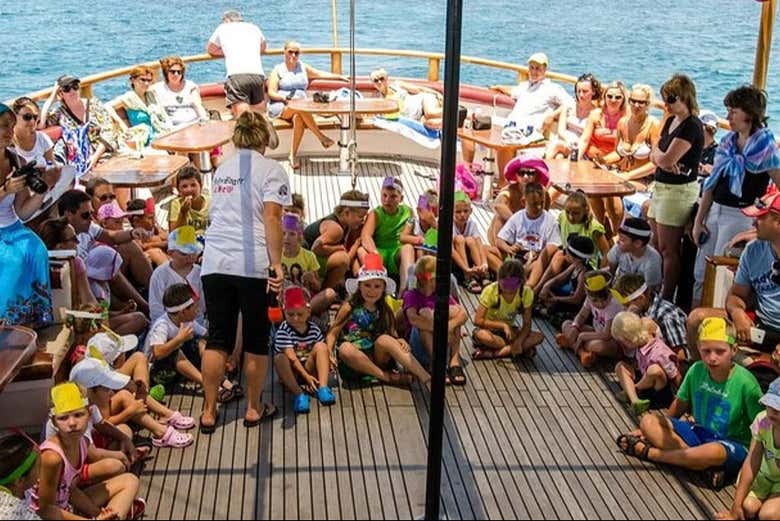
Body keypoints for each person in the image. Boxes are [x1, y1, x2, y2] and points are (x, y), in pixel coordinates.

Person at [199, 110, 289, 433]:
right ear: (264, 139)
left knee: (218, 338)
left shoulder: (222, 170)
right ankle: (253, 408)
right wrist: (276, 264)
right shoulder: (272, 171)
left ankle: (208, 412)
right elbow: (272, 219)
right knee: (255, 338)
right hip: (252, 266)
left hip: (215, 262)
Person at [616, 318, 762, 489]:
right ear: (699, 349)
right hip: (699, 433)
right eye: (706, 351)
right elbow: (680, 403)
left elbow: (761, 426)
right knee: (648, 421)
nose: (712, 358)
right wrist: (649, 430)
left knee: (713, 451)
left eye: (719, 351)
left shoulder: (746, 383)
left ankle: (651, 454)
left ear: (734, 350)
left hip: (730, 443)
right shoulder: (696, 370)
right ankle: (701, 467)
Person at [692, 86, 780, 306]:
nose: (728, 117)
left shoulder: (765, 148)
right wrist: (698, 220)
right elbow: (711, 185)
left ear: (749, 114)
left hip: (740, 215)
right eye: (728, 111)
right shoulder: (727, 143)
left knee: (724, 272)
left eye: (733, 111)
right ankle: (694, 318)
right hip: (715, 210)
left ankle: (715, 320)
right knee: (701, 271)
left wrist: (758, 226)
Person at [687, 193, 780, 360]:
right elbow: (737, 294)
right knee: (696, 319)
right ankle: (697, 375)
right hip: (759, 325)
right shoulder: (753, 250)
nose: (753, 223)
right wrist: (737, 313)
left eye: (760, 218)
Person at [34, 382, 141, 519]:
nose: (72, 423)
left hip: (66, 504)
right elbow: (45, 510)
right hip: (49, 516)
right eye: (63, 418)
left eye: (78, 415)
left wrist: (97, 513)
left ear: (89, 414)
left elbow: (70, 489)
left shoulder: (83, 443)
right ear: (54, 422)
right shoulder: (52, 457)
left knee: (130, 480)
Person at [327, 253, 430, 386]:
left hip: (377, 356)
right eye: (367, 285)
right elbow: (333, 332)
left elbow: (391, 332)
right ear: (360, 286)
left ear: (383, 289)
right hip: (354, 361)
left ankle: (426, 378)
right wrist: (329, 353)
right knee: (344, 348)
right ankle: (386, 377)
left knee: (385, 340)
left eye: (377, 286)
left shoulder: (384, 309)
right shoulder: (349, 307)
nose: (372, 291)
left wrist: (398, 340)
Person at [0, 103, 57, 326]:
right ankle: (7, 323)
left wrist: (47, 187)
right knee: (12, 260)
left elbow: (23, 211)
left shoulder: (16, 161)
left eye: (11, 126)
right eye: (3, 126)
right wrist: (5, 190)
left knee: (38, 251)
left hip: (12, 226)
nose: (9, 132)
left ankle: (33, 320)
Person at [648, 74, 704, 301]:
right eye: (665, 99)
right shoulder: (671, 121)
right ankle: (655, 285)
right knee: (655, 241)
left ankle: (667, 295)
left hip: (678, 191)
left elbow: (663, 157)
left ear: (685, 97)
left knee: (668, 248)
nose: (667, 104)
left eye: (671, 99)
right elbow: (656, 152)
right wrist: (662, 158)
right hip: (661, 186)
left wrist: (662, 158)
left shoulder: (692, 126)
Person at [57, 189, 149, 313]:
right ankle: (145, 308)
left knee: (128, 246)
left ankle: (155, 295)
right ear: (68, 215)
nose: (90, 219)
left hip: (102, 281)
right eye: (85, 215)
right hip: (84, 289)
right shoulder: (61, 239)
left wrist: (133, 233)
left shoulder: (88, 227)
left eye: (91, 214)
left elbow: (111, 237)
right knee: (105, 257)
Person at [70, 358, 195, 449]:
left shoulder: (93, 393)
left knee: (125, 394)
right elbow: (104, 424)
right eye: (104, 386)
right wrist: (130, 412)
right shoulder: (91, 399)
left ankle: (165, 417)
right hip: (97, 438)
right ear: (90, 390)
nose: (108, 390)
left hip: (102, 427)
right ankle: (161, 432)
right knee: (126, 429)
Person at [268, 41, 348, 169]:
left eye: (296, 53)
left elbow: (320, 73)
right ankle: (321, 137)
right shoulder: (277, 70)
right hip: (282, 105)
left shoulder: (303, 67)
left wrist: (339, 77)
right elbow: (271, 92)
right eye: (290, 52)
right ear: (284, 52)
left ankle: (292, 156)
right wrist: (286, 98)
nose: (293, 55)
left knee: (299, 118)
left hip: (300, 107)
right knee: (300, 108)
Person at [716, 377, 780, 520]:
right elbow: (752, 460)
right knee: (748, 508)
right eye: (771, 404)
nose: (774, 410)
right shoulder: (764, 422)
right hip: (763, 475)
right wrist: (735, 507)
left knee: (768, 515)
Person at [403, 255, 468, 384]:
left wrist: (450, 325)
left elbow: (463, 314)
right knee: (424, 314)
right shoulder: (412, 295)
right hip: (419, 345)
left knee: (455, 316)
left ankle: (454, 361)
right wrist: (439, 326)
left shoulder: (441, 295)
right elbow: (413, 319)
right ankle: (436, 363)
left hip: (442, 341)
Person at [40, 75, 121, 177]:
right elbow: (41, 125)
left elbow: (109, 131)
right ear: (60, 93)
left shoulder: (94, 105)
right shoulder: (60, 113)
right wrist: (51, 99)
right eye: (67, 89)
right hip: (78, 160)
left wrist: (95, 157)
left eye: (75, 87)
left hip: (103, 153)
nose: (72, 91)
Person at [272, 285, 336, 414]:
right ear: (284, 312)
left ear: (308, 312)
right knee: (280, 357)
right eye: (290, 314)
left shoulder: (313, 328)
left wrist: (329, 358)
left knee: (321, 346)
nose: (295, 318)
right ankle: (299, 394)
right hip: (292, 372)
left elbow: (321, 347)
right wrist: (306, 377)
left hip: (308, 366)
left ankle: (323, 387)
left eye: (300, 314)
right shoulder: (283, 331)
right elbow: (292, 358)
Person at [535, 190, 609, 293]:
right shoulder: (562, 217)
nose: (571, 217)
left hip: (584, 265)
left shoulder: (594, 228)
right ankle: (531, 285)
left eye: (576, 214)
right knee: (550, 249)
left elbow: (606, 252)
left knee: (559, 255)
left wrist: (599, 274)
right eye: (568, 212)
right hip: (569, 258)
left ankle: (538, 290)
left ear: (585, 211)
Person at [472, 258, 544, 359]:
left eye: (513, 284)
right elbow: (478, 321)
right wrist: (503, 325)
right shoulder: (490, 291)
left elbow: (527, 323)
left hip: (510, 332)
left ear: (521, 282)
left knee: (539, 336)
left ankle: (495, 353)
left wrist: (519, 341)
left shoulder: (526, 292)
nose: (509, 288)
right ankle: (516, 349)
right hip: (490, 329)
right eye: (505, 284)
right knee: (482, 335)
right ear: (498, 279)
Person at [611, 311, 681, 416]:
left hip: (659, 392)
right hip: (645, 381)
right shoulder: (640, 344)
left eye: (623, 342)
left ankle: (633, 390)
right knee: (620, 366)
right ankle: (635, 401)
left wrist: (682, 399)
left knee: (654, 370)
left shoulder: (659, 352)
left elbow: (675, 375)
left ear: (629, 339)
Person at [492, 182, 560, 287]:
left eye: (541, 203)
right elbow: (499, 240)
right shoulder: (517, 217)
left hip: (537, 258)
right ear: (524, 202)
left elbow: (554, 247)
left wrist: (537, 253)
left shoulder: (550, 221)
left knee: (539, 263)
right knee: (487, 250)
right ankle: (511, 275)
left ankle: (527, 285)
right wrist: (509, 248)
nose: (538, 207)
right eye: (534, 204)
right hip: (518, 255)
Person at [612, 273, 690, 362]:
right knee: (621, 367)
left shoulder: (666, 315)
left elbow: (681, 355)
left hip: (666, 363)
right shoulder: (639, 310)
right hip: (647, 360)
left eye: (627, 305)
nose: (624, 309)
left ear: (641, 298)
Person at [206, 9, 268, 117]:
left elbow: (211, 49)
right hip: (258, 75)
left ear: (227, 20)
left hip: (237, 76)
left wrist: (227, 52)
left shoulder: (223, 28)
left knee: (243, 118)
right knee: (259, 114)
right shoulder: (253, 27)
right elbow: (263, 47)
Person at [304, 189, 369, 289]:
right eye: (360, 216)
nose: (362, 220)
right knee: (342, 259)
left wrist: (356, 244)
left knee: (344, 259)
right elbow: (316, 247)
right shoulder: (336, 229)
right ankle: (325, 291)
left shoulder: (345, 225)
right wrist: (337, 248)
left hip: (309, 257)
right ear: (347, 213)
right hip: (305, 260)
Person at [556, 271, 623, 367]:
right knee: (566, 324)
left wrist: (583, 336)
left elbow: (606, 335)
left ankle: (572, 343)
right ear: (588, 295)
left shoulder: (613, 304)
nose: (600, 304)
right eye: (595, 300)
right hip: (596, 331)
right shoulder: (589, 298)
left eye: (604, 299)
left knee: (597, 346)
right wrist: (575, 326)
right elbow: (582, 315)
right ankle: (583, 353)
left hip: (612, 341)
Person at [360, 176, 414, 292]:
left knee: (408, 248)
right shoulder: (375, 214)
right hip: (380, 251)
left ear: (401, 198)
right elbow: (365, 236)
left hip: (396, 251)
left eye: (393, 196)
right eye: (384, 195)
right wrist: (375, 253)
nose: (387, 200)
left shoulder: (409, 212)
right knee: (361, 251)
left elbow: (408, 233)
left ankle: (405, 291)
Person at [281, 213, 337, 316]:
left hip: (304, 299)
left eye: (292, 234)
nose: (286, 238)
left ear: (299, 236)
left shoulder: (309, 256)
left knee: (330, 293)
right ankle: (295, 315)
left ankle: (299, 314)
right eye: (283, 233)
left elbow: (318, 287)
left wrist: (312, 280)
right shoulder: (276, 255)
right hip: (282, 299)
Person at [486, 157, 550, 246]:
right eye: (521, 173)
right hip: (510, 230)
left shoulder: (542, 192)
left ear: (536, 175)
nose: (526, 177)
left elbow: (545, 212)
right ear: (516, 175)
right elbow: (498, 205)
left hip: (532, 231)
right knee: (499, 219)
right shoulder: (509, 190)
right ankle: (500, 252)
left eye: (530, 173)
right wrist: (518, 223)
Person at [148, 226, 205, 323]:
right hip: (166, 327)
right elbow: (156, 308)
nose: (190, 257)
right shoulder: (160, 274)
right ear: (170, 253)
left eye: (194, 253)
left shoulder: (200, 273)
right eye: (184, 254)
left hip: (195, 324)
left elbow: (201, 307)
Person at [37, 217, 98, 307]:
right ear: (60, 246)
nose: (78, 243)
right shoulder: (76, 263)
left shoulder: (33, 263)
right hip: (71, 317)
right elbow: (89, 303)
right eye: (74, 239)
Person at [545, 73, 602, 159]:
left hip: (581, 148)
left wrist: (576, 144)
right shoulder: (568, 106)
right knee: (559, 155)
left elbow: (587, 139)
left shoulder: (595, 113)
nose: (581, 95)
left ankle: (541, 167)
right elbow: (561, 131)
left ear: (593, 92)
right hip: (565, 141)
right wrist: (568, 140)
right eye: (579, 91)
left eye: (585, 91)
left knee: (557, 150)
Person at [537, 234, 594, 318]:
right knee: (551, 289)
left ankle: (544, 311)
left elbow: (576, 299)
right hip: (568, 296)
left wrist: (555, 299)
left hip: (577, 306)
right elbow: (558, 279)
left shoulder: (584, 274)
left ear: (576, 258)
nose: (564, 254)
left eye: (566, 252)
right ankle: (545, 306)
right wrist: (546, 285)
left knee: (556, 306)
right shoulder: (575, 266)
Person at [114, 66, 172, 146]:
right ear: (133, 80)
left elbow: (163, 115)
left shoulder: (151, 95)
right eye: (143, 80)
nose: (146, 83)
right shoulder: (128, 98)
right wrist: (122, 126)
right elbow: (107, 107)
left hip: (161, 133)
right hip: (145, 140)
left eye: (149, 80)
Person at [369, 68, 444, 129]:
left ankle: (454, 111)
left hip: (422, 101)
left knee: (430, 113)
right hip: (416, 117)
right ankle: (454, 124)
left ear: (386, 79)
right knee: (431, 123)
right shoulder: (378, 98)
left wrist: (436, 93)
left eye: (381, 79)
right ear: (373, 84)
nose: (379, 82)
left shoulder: (397, 85)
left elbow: (419, 89)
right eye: (376, 80)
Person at [606, 217, 663, 292]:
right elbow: (610, 274)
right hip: (618, 290)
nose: (617, 242)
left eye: (623, 239)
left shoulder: (652, 261)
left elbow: (650, 292)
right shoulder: (619, 248)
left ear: (637, 243)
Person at [151, 55, 209, 127]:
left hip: (194, 124)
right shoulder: (157, 89)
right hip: (172, 127)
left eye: (179, 72)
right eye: (173, 72)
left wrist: (204, 120)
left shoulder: (190, 86)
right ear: (166, 72)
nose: (176, 74)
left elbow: (198, 106)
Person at [579, 80, 628, 162]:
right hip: (590, 158)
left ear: (623, 99)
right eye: (609, 96)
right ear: (604, 97)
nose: (613, 100)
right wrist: (578, 157)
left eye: (618, 97)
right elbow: (584, 140)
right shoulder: (595, 115)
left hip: (614, 161)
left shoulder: (627, 118)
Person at [452, 190, 489, 293]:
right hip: (455, 260)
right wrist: (466, 269)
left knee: (470, 240)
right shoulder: (450, 225)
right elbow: (451, 250)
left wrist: (484, 263)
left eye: (465, 211)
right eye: (458, 212)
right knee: (459, 239)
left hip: (468, 257)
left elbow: (479, 243)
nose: (462, 215)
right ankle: (467, 276)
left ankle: (481, 273)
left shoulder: (471, 224)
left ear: (471, 211)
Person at [0, 434, 43, 520]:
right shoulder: (23, 516)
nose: (42, 471)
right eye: (39, 467)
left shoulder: (24, 490)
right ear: (19, 481)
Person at [11, 97, 56, 166]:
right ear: (14, 116)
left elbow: (53, 167)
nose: (32, 121)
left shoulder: (42, 138)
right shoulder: (7, 142)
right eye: (27, 117)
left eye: (35, 117)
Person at [126, 198, 168, 268]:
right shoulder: (132, 236)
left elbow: (169, 240)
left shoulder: (155, 228)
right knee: (156, 253)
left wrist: (150, 244)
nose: (154, 221)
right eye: (150, 218)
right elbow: (141, 246)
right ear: (136, 220)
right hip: (150, 260)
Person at [168, 166, 210, 236]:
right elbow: (173, 235)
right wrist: (183, 213)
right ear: (178, 190)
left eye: (193, 185)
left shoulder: (211, 203)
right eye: (184, 186)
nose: (189, 190)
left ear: (201, 186)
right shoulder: (176, 204)